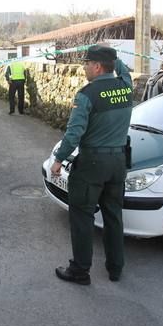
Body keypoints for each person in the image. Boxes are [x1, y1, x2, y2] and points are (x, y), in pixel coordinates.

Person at [50, 45, 133, 285]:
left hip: (92, 164)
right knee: (114, 215)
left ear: (97, 67)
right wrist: (112, 55)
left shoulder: (87, 94)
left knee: (82, 217)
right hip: (118, 162)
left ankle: (80, 271)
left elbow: (74, 133)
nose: (84, 67)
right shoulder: (126, 88)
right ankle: (116, 268)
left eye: (87, 63)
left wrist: (58, 160)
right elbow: (123, 70)